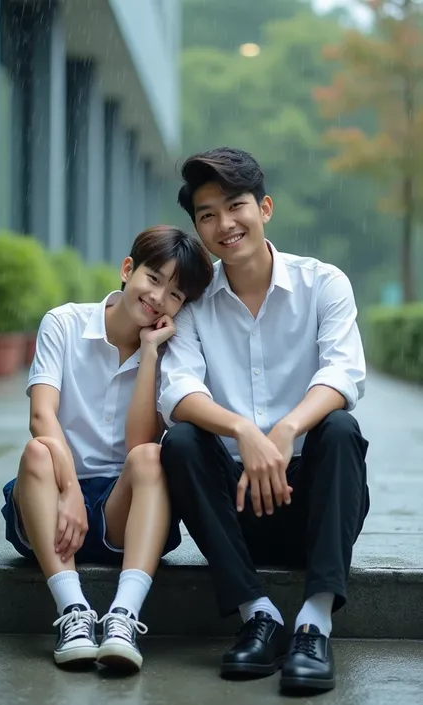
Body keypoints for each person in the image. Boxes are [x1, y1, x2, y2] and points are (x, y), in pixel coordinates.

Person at [158, 148, 370, 695]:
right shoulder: (193, 304)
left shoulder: (323, 283)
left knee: (342, 429)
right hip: (234, 508)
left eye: (236, 206)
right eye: (207, 214)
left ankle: (313, 623)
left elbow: (345, 372)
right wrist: (244, 431)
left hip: (315, 503)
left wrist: (285, 429)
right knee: (179, 441)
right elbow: (178, 392)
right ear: (198, 228)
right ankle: (259, 615)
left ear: (265, 208)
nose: (224, 224)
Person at [1, 225, 213, 671]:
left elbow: (139, 446)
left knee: (153, 455)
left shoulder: (171, 350)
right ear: (127, 269)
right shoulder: (64, 322)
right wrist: (71, 492)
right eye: (154, 279)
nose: (158, 298)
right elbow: (42, 417)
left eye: (175, 295)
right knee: (37, 450)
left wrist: (151, 354)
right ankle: (73, 612)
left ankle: (124, 616)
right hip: (52, 502)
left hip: (123, 512)